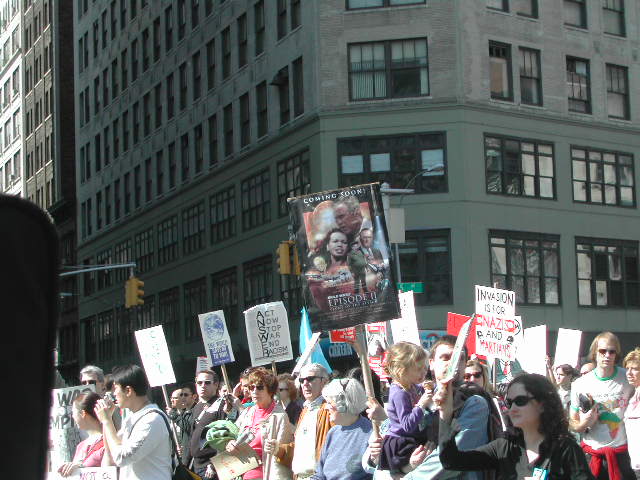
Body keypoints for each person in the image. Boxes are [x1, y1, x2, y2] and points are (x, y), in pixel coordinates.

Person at [367, 335, 491, 480]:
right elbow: (375, 461)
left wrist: (406, 473)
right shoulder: (410, 392)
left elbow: (448, 462)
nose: (454, 362)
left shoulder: (474, 403)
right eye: (446, 357)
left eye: (460, 358)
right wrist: (376, 457)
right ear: (431, 363)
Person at [438, 373, 595, 479]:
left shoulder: (566, 449)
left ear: (542, 404)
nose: (512, 408)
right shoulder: (504, 447)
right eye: (509, 402)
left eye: (520, 401)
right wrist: (445, 413)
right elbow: (451, 461)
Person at [570, 332, 635, 480]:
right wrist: (585, 422)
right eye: (602, 351)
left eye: (612, 351)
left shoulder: (628, 378)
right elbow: (572, 424)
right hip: (593, 455)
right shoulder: (580, 384)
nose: (607, 355)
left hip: (623, 455)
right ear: (595, 352)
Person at [95, 364, 171, 480]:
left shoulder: (152, 420)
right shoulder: (132, 417)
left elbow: (121, 458)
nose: (113, 394)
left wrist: (106, 421)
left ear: (128, 390)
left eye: (115, 388)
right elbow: (112, 450)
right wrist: (108, 418)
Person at [265, 363, 333, 479]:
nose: (305, 384)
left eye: (310, 379)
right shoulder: (305, 410)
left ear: (325, 382)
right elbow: (301, 450)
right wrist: (279, 449)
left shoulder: (331, 410)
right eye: (301, 380)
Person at [226, 367, 294, 480]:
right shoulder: (247, 412)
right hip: (240, 474)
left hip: (266, 475)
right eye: (251, 387)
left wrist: (276, 448)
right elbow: (232, 435)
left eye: (260, 387)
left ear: (270, 391)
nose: (254, 391)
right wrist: (230, 443)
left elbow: (284, 455)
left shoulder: (279, 416)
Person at [378, 342, 434, 474]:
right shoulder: (399, 393)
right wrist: (421, 404)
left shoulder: (411, 385)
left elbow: (422, 389)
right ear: (402, 369)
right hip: (401, 444)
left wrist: (432, 387)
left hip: (412, 437)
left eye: (425, 368)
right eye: (418, 369)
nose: (424, 372)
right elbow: (407, 425)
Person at [313, 379, 373, 480]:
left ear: (342, 403)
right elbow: (319, 475)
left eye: (329, 402)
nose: (326, 407)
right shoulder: (333, 433)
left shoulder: (371, 434)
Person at [185, 369, 229, 479]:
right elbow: (192, 437)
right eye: (199, 383)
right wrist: (185, 464)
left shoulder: (222, 405)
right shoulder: (197, 407)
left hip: (211, 468)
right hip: (196, 466)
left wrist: (214, 465)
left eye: (207, 382)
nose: (203, 386)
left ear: (216, 385)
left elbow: (225, 438)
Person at [57, 392, 105, 477]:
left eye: (73, 413)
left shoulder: (107, 442)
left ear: (83, 414)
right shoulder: (81, 446)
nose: (72, 417)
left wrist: (81, 467)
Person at [623, 347, 640, 478]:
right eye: (627, 368)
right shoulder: (632, 396)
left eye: (634, 368)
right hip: (635, 465)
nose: (629, 372)